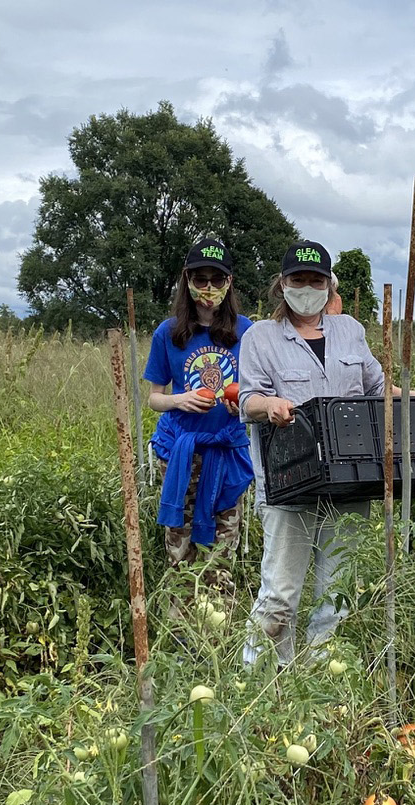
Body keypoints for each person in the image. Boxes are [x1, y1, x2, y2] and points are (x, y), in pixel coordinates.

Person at [238, 241, 405, 667]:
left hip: (350, 478)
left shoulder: (350, 330)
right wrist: (269, 406)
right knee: (280, 591)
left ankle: (320, 680)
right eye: (299, 280)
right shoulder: (260, 337)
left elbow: (377, 390)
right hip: (290, 481)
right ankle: (259, 681)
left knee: (336, 592)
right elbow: (247, 399)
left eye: (316, 280)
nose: (307, 287)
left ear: (329, 285)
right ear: (283, 285)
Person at [144, 237, 254, 596]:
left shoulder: (247, 332)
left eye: (217, 279)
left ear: (229, 283)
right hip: (179, 453)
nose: (208, 288)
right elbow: (154, 399)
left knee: (223, 548)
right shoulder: (169, 333)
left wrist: (245, 403)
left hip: (227, 451)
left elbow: (258, 392)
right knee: (181, 547)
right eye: (200, 279)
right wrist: (181, 400)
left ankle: (219, 629)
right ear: (187, 280)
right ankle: (180, 632)